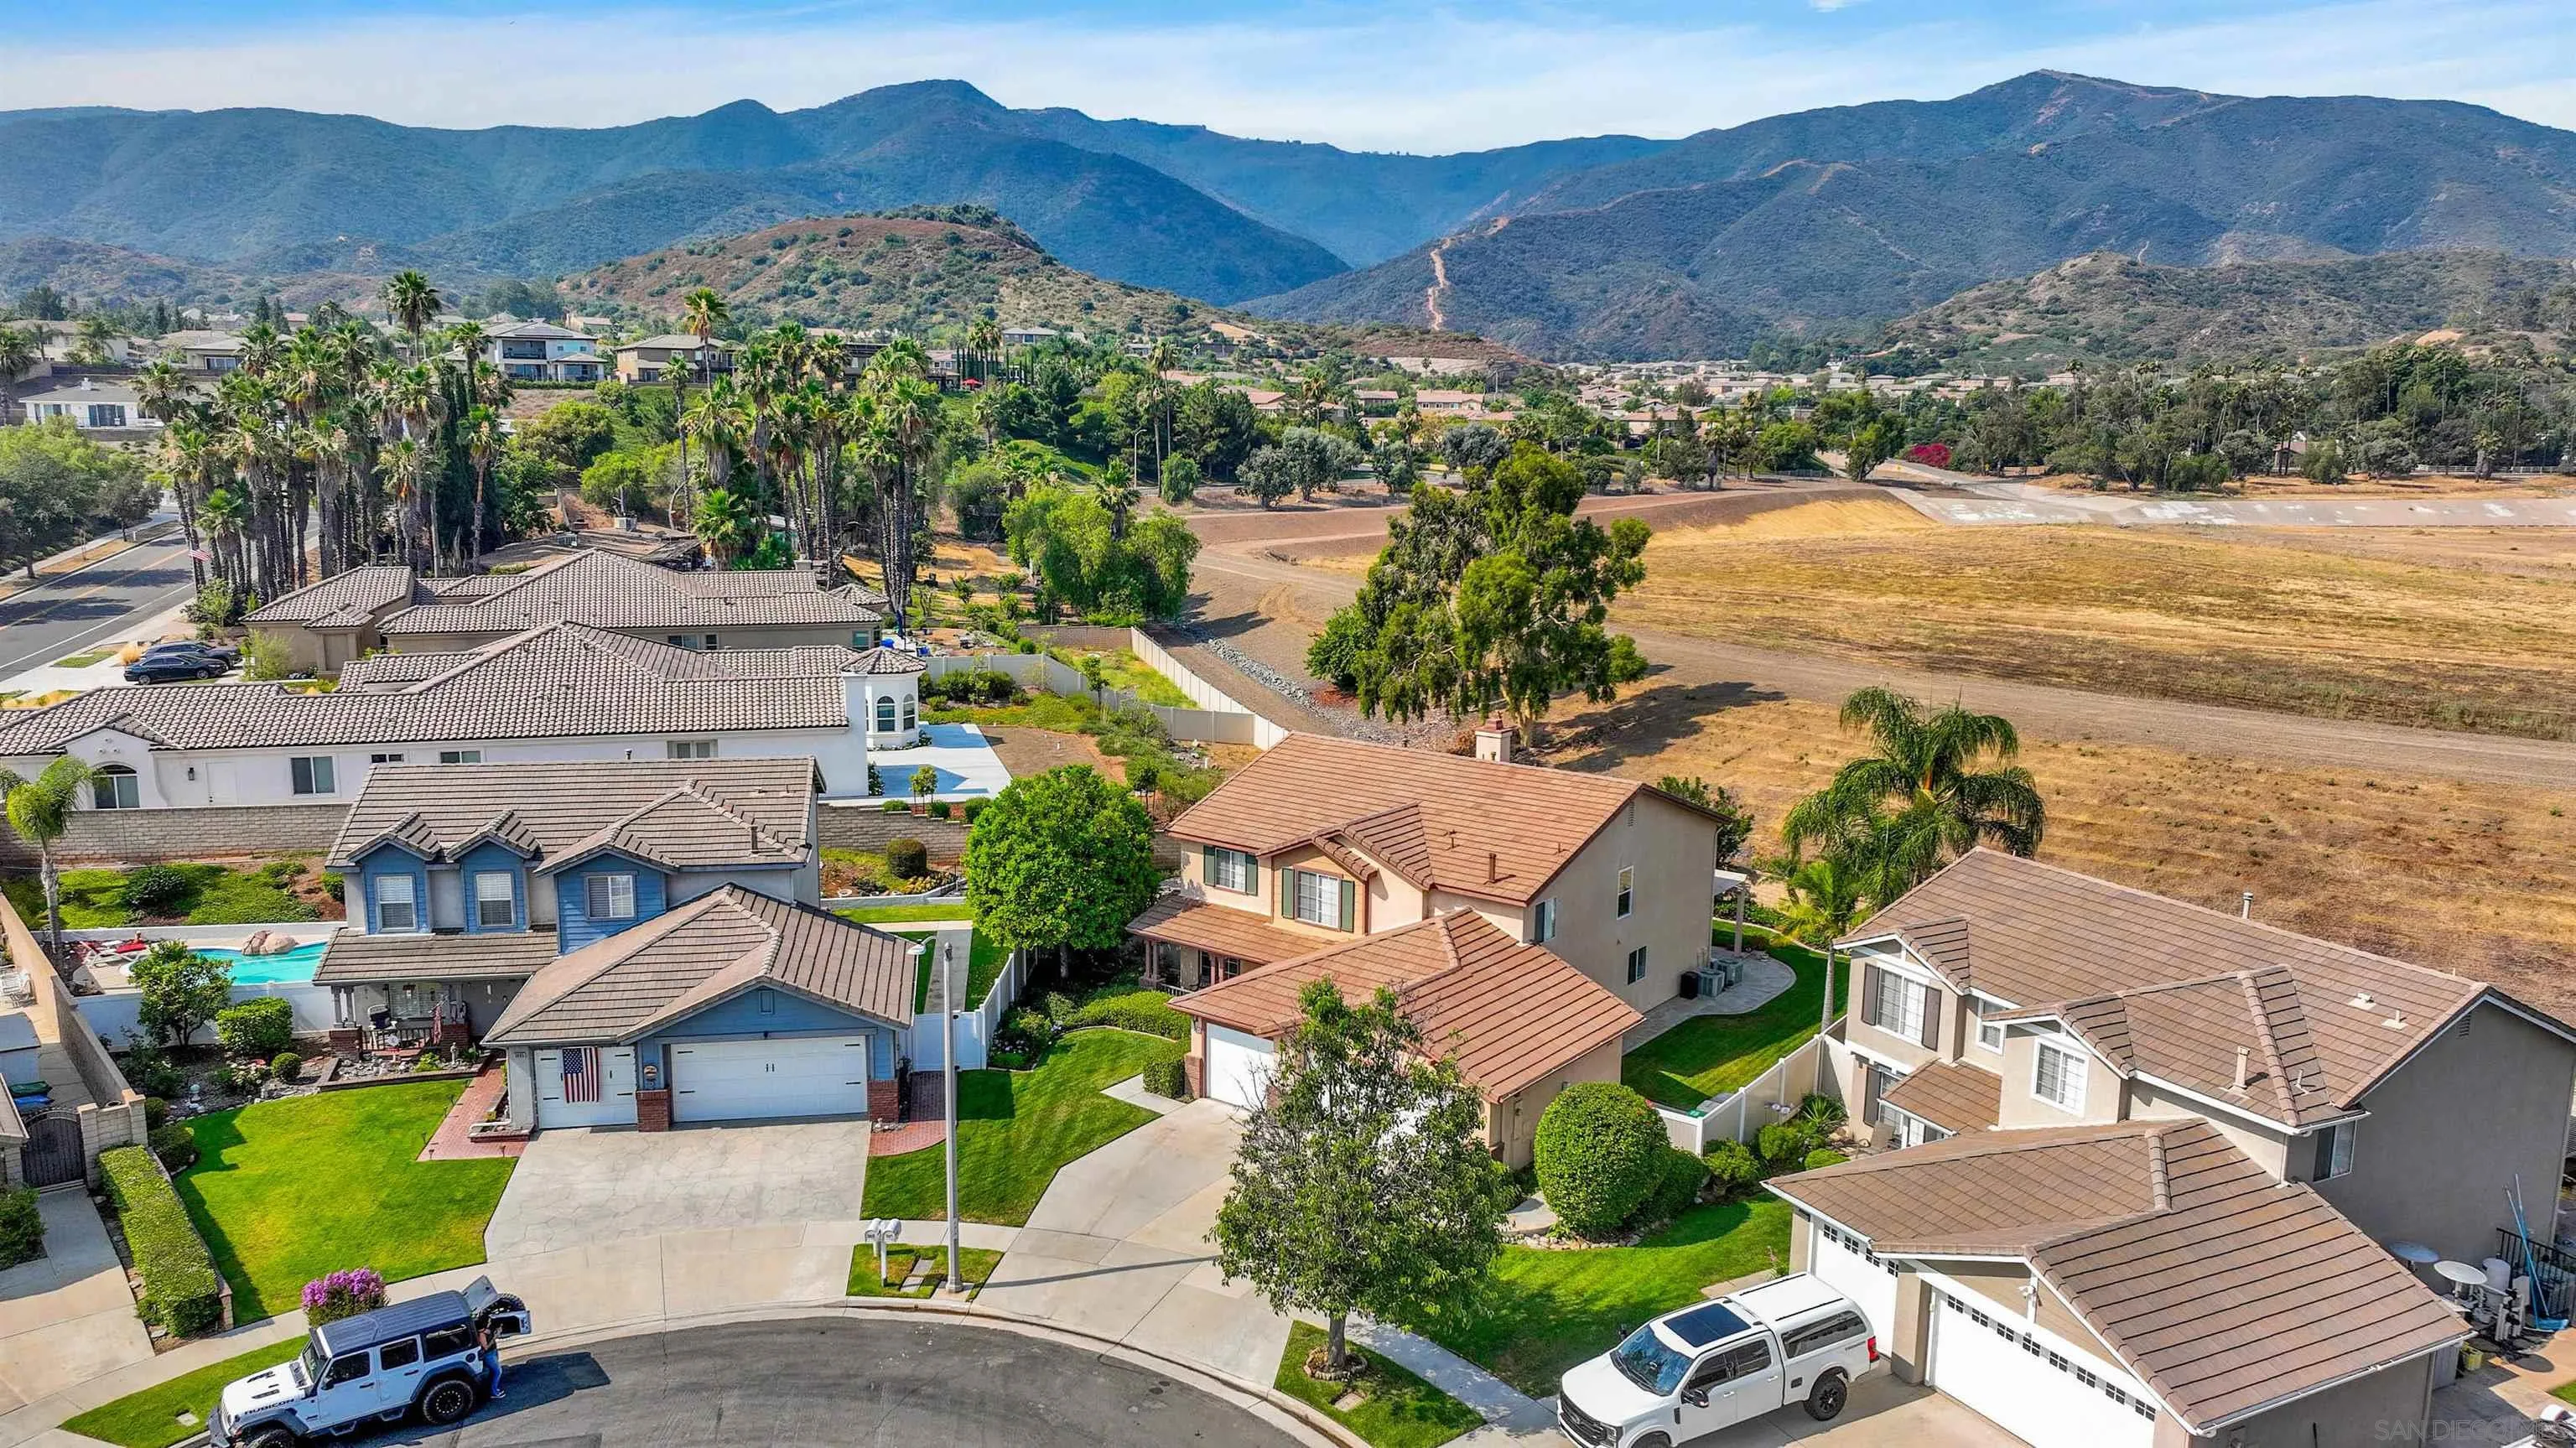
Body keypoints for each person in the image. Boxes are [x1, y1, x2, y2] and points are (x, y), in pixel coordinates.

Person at [477, 1325, 505, 1400]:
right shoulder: (482, 1335)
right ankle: (494, 1392)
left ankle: (495, 1389)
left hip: (493, 1351)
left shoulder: (487, 1331)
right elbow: (486, 1347)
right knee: (498, 1371)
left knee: (493, 1372)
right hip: (489, 1354)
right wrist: (495, 1337)